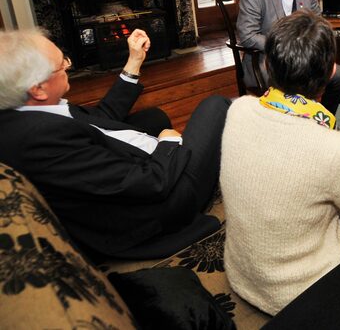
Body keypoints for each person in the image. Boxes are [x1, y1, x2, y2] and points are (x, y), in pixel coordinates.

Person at [221, 10, 340, 315]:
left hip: (241, 275)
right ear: (331, 72)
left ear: (267, 65)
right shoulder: (335, 147)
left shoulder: (238, 109)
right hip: (298, 295)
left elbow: (288, 159)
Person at [0, 28, 230, 258]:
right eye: (62, 64)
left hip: (133, 171)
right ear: (38, 88)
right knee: (216, 105)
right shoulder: (42, 139)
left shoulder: (32, 111)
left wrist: (134, 61)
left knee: (153, 117)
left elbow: (99, 118)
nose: (68, 66)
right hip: (156, 208)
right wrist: (168, 144)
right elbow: (151, 183)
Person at [237, 0, 340, 111]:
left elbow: (318, 23)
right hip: (269, 60)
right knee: (295, 87)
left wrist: (324, 57)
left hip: (305, 57)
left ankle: (322, 120)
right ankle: (294, 124)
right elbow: (247, 35)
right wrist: (285, 47)